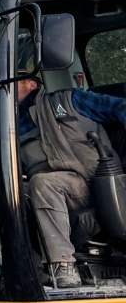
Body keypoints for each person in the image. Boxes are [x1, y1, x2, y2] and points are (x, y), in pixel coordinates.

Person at [14, 73, 126, 288]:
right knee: (11, 194)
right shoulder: (11, 124)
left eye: (11, 83)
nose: (2, 91)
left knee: (43, 184)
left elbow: (120, 106)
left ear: (31, 83)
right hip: (53, 188)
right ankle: (32, 271)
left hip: (96, 184)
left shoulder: (69, 100)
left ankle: (62, 264)